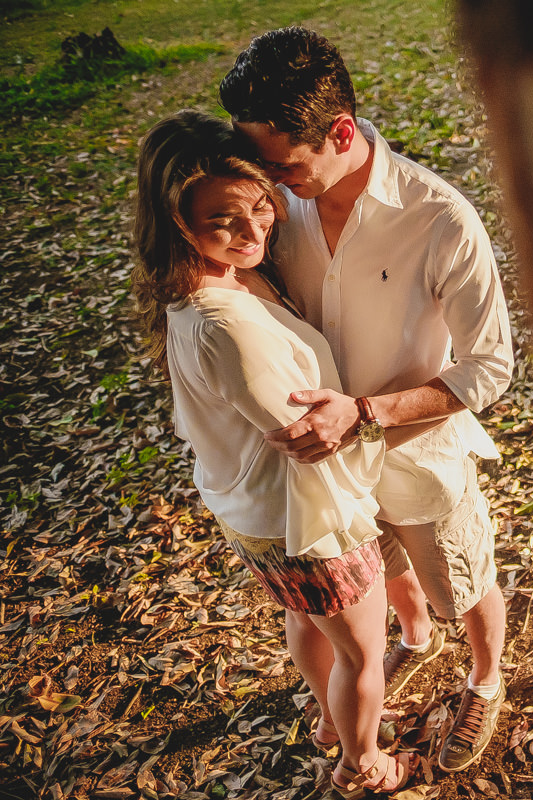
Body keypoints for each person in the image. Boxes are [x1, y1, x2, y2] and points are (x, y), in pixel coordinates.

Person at [220, 27, 515, 772]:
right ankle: (415, 642)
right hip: (326, 479)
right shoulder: (274, 207)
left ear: (342, 133)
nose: (267, 182)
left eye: (283, 164)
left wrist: (366, 414)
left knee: (463, 584)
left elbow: (490, 369)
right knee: (387, 579)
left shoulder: (441, 219)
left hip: (417, 457)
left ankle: (485, 679)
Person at [131, 109, 420, 797]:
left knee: (309, 620)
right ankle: (360, 764)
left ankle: (330, 720)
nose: (253, 230)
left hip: (261, 512)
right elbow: (313, 436)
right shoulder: (225, 326)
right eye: (222, 220)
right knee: (363, 652)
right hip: (309, 519)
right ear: (176, 222)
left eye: (259, 205)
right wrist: (395, 420)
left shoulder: (217, 280)